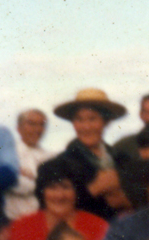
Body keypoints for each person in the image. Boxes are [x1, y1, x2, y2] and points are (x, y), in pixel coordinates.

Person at [8, 158, 109, 240]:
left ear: (77, 191)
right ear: (42, 191)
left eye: (66, 187)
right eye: (52, 187)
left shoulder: (98, 226)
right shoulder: (22, 226)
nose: (59, 195)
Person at [52, 88, 128, 221]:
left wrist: (125, 200)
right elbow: (53, 208)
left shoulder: (122, 159)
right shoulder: (59, 165)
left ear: (106, 122)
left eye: (92, 119)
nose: (86, 127)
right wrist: (95, 188)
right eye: (79, 120)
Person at [4, 109, 52, 221]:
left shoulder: (49, 157)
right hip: (13, 219)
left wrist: (31, 177)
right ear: (18, 128)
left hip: (42, 220)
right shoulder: (8, 153)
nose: (38, 129)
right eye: (32, 124)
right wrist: (41, 181)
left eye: (42, 125)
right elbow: (19, 186)